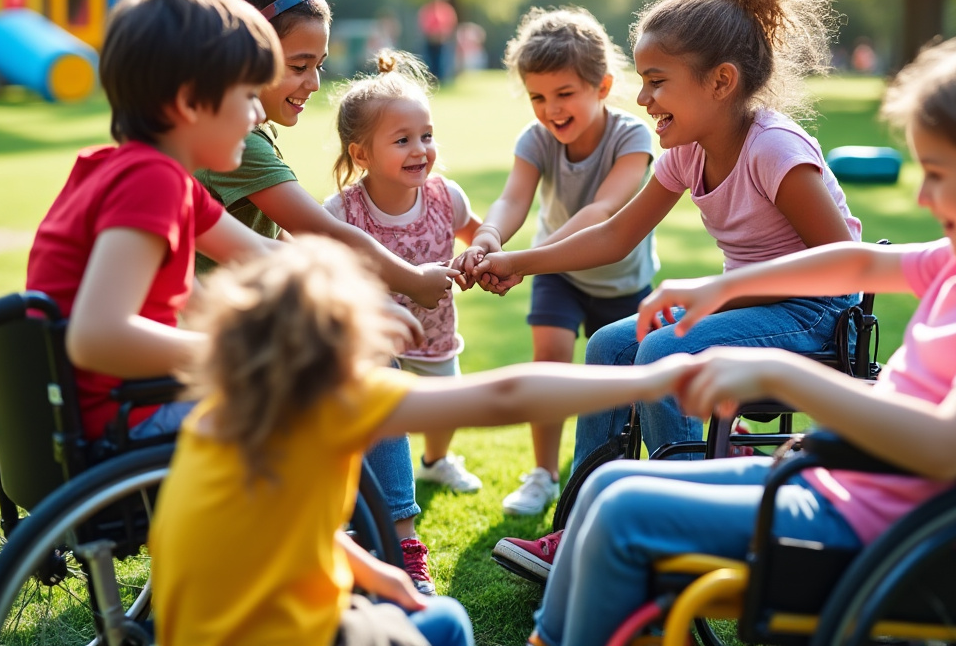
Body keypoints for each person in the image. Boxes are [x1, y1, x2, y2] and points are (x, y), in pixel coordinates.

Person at [523, 15, 956, 646]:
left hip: (885, 523)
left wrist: (784, 372)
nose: (923, 199)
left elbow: (951, 446)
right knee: (612, 485)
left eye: (939, 174)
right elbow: (859, 260)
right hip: (845, 488)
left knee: (622, 511)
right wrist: (720, 287)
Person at [472, 0, 862, 579]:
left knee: (662, 349)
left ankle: (681, 532)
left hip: (817, 309)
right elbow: (615, 235)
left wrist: (718, 292)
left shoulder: (774, 151)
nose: (644, 99)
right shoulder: (686, 148)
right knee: (607, 347)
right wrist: (519, 262)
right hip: (748, 300)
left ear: (721, 82)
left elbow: (843, 265)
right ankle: (577, 528)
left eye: (656, 82)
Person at [149, 237, 701, 646]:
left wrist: (377, 571)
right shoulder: (337, 403)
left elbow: (284, 527)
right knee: (449, 623)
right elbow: (506, 395)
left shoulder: (214, 420)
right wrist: (655, 379)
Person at [198, 0, 458, 593]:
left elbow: (276, 245)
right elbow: (322, 229)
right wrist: (411, 280)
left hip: (224, 317)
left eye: (318, 64)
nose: (314, 83)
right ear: (245, 55)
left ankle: (347, 530)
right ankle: (398, 543)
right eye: (299, 65)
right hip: (216, 336)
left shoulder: (210, 129)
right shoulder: (240, 146)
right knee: (371, 363)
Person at [24, 0, 282, 442]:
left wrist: (361, 296)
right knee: (309, 409)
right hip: (126, 422)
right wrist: (231, 350)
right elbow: (96, 336)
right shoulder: (152, 182)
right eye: (248, 95)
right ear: (188, 102)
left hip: (101, 413)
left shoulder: (125, 171)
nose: (259, 114)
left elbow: (262, 255)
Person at [452, 7, 658, 516]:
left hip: (622, 282)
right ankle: (543, 473)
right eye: (538, 97)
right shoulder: (536, 139)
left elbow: (602, 210)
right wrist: (489, 239)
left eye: (565, 94)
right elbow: (512, 200)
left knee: (619, 387)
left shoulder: (632, 137)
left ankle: (611, 471)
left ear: (602, 86)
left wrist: (527, 260)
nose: (551, 110)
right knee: (549, 360)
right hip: (557, 275)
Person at [324, 50, 486, 497]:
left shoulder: (444, 196)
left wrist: (485, 255)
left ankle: (436, 460)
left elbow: (475, 232)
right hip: (371, 339)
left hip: (433, 331)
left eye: (426, 136)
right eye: (402, 141)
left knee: (444, 407)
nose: (421, 150)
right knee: (376, 411)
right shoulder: (343, 211)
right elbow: (314, 260)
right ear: (362, 154)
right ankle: (372, 475)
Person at [418, 0, 458, 81]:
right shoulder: (427, 9)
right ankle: (432, 78)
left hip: (443, 40)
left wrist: (443, 34)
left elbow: (451, 24)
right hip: (431, 40)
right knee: (430, 61)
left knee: (442, 61)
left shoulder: (447, 9)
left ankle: (442, 78)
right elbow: (424, 24)